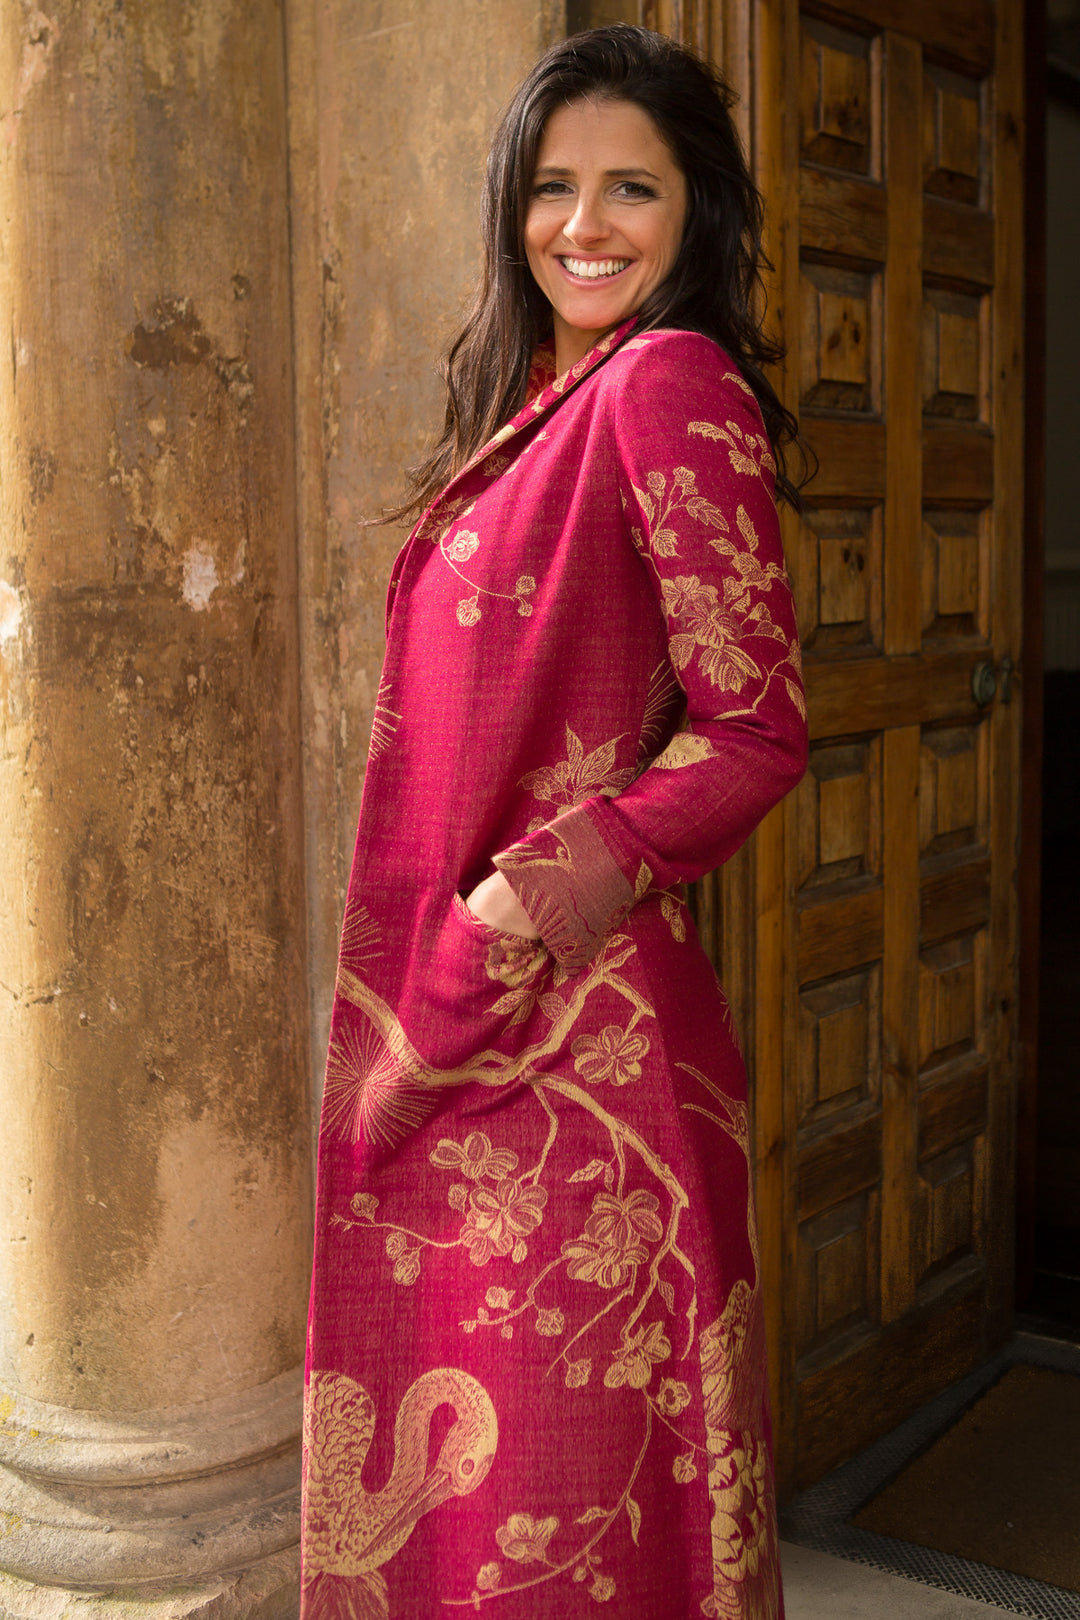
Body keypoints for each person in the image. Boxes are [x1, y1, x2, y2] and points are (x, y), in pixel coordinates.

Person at [301, 24, 808, 1620]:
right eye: (551, 186)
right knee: (479, 1519)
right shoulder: (544, 392)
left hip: (573, 1063)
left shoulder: (665, 383)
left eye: (631, 190)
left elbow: (755, 735)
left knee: (565, 1516)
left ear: (698, 213)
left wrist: (511, 915)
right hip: (490, 1047)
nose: (583, 225)